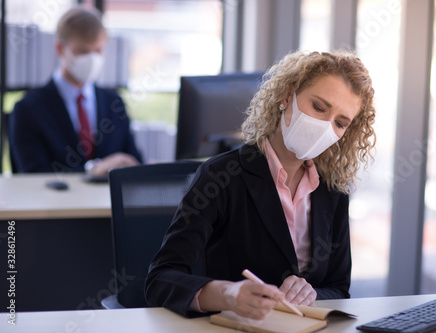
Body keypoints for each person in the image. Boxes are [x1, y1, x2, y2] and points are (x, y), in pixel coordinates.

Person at [145, 50, 376, 319]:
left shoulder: (333, 189)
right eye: (319, 107)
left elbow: (338, 289)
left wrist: (311, 294)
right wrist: (227, 294)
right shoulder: (222, 176)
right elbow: (160, 280)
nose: (326, 126)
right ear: (287, 95)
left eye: (340, 122)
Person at [9, 6, 141, 176]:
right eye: (83, 51)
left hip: (109, 202)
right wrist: (93, 170)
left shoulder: (114, 103)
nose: (92, 60)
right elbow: (34, 174)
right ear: (60, 49)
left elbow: (133, 161)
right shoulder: (28, 109)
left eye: (98, 50)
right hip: (56, 202)